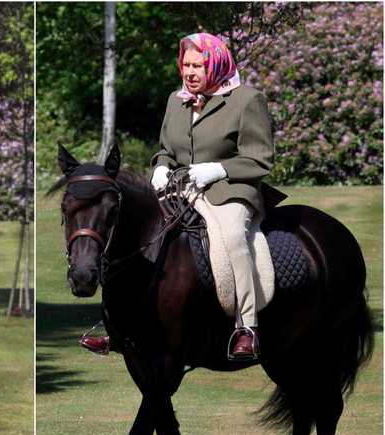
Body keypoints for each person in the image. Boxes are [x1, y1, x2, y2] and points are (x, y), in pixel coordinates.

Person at [82, 32, 278, 360]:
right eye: (186, 65)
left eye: (197, 66)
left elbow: (261, 158)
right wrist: (160, 166)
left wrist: (218, 169)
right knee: (133, 234)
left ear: (215, 63)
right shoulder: (177, 99)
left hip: (229, 191)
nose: (189, 72)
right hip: (179, 189)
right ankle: (118, 328)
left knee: (232, 239)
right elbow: (166, 151)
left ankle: (246, 327)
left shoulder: (246, 99)